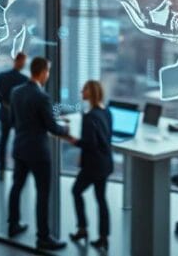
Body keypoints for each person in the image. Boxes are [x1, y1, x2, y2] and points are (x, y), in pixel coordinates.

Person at [6, 56, 76, 251]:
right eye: (48, 72)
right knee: (43, 194)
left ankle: (13, 225)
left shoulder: (16, 92)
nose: (48, 75)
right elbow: (53, 128)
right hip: (38, 152)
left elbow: (12, 120)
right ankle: (43, 238)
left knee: (17, 186)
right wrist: (66, 129)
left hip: (20, 147)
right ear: (43, 72)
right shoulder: (42, 97)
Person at [69, 80, 113, 251]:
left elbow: (89, 144)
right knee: (101, 199)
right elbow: (106, 137)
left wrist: (74, 141)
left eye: (85, 89)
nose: (82, 91)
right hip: (105, 163)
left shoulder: (89, 117)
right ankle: (103, 237)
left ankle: (82, 229)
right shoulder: (106, 112)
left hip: (93, 165)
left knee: (76, 191)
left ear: (92, 93)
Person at [0, 52, 29, 180]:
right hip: (19, 115)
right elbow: (26, 99)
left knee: (3, 142)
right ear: (20, 62)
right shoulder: (24, 80)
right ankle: (18, 170)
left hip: (5, 113)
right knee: (19, 142)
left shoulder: (2, 76)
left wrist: (4, 103)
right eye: (24, 62)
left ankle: (1, 169)